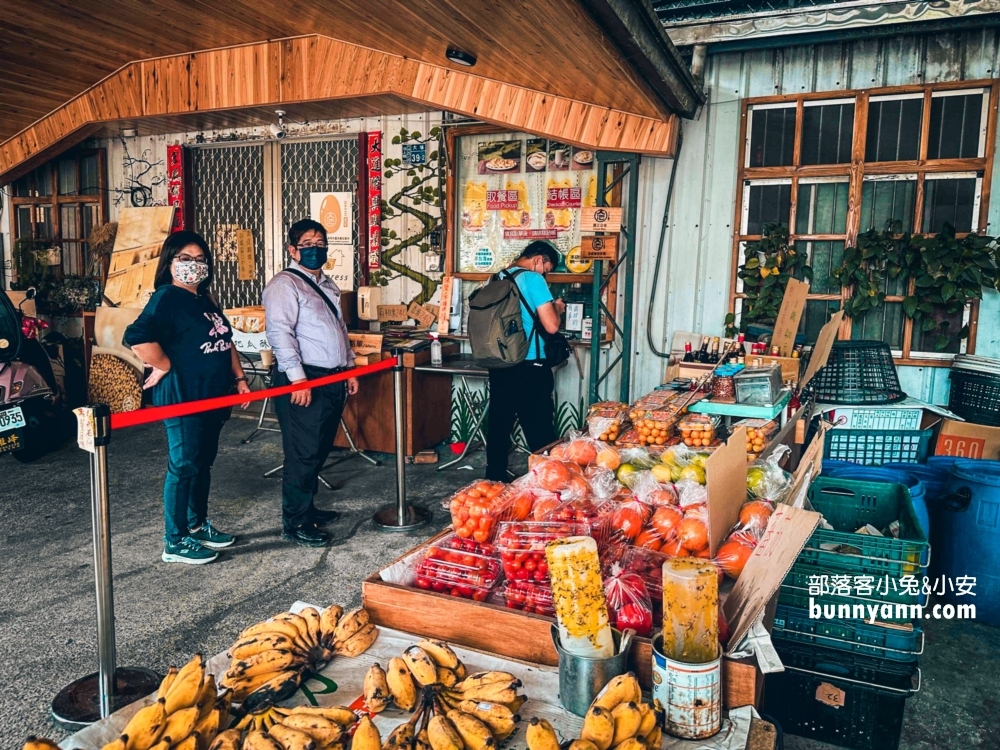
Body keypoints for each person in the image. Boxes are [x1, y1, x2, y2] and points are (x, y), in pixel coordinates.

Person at [124, 231, 250, 565]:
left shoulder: (204, 299)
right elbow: (136, 336)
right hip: (183, 397)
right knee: (182, 466)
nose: (193, 265)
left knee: (201, 462)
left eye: (199, 259)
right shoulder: (167, 297)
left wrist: (239, 379)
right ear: (170, 263)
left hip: (213, 396)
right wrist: (163, 363)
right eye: (185, 259)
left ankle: (197, 525)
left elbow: (225, 341)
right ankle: (174, 540)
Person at [262, 219, 359, 547]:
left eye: (320, 242)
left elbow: (339, 330)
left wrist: (349, 369)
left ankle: (309, 508)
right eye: (307, 243)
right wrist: (298, 379)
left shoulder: (327, 284)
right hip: (304, 378)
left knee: (318, 448)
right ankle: (296, 521)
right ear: (293, 250)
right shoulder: (284, 285)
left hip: (332, 378)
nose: (315, 248)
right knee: (302, 453)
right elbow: (280, 334)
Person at [485, 241, 565, 481]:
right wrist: (557, 308)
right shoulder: (533, 279)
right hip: (531, 365)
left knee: (500, 423)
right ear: (538, 259)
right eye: (547, 269)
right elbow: (551, 326)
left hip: (500, 363)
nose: (545, 274)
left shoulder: (496, 278)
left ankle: (494, 480)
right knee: (539, 426)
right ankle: (547, 484)